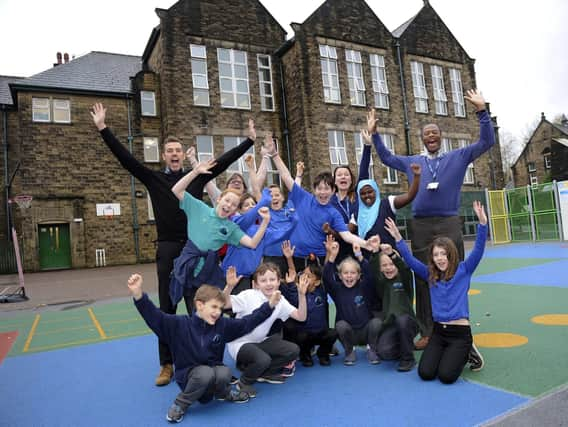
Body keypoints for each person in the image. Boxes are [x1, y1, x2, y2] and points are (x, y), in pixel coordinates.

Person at [91, 103, 258, 386]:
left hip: (197, 252)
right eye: (170, 151)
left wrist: (249, 141)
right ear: (164, 155)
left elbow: (225, 160)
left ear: (183, 154)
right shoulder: (154, 178)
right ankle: (166, 363)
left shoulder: (198, 176)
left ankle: (205, 357)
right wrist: (103, 128)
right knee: (168, 307)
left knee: (200, 307)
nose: (174, 154)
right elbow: (126, 160)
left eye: (178, 150)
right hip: (169, 249)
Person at [367, 89, 491, 369]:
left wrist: (482, 112)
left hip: (448, 221)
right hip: (420, 225)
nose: (431, 136)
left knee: (455, 274)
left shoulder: (458, 157)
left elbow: (486, 141)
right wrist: (374, 134)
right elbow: (386, 157)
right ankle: (429, 331)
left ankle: (461, 330)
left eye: (435, 132)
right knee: (424, 280)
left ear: (441, 137)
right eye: (427, 133)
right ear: (423, 139)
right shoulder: (414, 162)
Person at [127, 273, 280, 423]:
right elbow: (154, 317)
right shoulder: (178, 325)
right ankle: (181, 403)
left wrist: (269, 306)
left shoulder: (222, 325)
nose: (218, 312)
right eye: (214, 307)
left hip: (212, 377)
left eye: (220, 308)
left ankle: (223, 393)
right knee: (204, 373)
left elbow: (247, 323)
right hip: (190, 378)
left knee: (224, 372)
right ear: (199, 305)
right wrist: (138, 295)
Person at [384, 201, 488, 384]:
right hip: (439, 332)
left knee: (446, 376)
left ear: (450, 255)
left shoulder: (464, 270)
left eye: (443, 254)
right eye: (436, 254)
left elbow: (478, 250)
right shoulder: (430, 274)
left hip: (460, 333)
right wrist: (398, 238)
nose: (440, 258)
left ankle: (468, 352)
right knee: (426, 373)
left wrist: (482, 224)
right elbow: (409, 260)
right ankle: (449, 354)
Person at [263, 138, 375, 271]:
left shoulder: (333, 213)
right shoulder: (303, 198)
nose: (323, 192)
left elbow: (347, 236)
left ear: (333, 190)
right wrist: (275, 155)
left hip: (319, 260)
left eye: (327, 189)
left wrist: (366, 244)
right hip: (295, 257)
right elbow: (286, 176)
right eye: (319, 189)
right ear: (314, 189)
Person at [169, 161, 271, 305]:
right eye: (227, 200)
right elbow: (176, 190)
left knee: (209, 314)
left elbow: (253, 243)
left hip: (208, 276)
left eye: (234, 205)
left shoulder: (231, 228)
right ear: (219, 199)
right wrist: (195, 172)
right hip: (186, 269)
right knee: (192, 315)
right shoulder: (199, 208)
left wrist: (265, 222)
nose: (229, 205)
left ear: (235, 210)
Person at [223, 262, 307, 398]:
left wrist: (301, 295)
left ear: (279, 282)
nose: (268, 284)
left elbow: (301, 317)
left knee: (293, 350)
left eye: (272, 279)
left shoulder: (281, 300)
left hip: (261, 341)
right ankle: (244, 382)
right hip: (239, 343)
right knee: (263, 359)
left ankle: (262, 372)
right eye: (263, 280)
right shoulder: (248, 295)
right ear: (256, 284)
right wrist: (230, 286)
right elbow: (224, 303)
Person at [221, 191, 298, 294]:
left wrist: (293, 222)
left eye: (253, 204)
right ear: (239, 209)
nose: (251, 207)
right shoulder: (236, 222)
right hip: (230, 276)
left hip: (249, 279)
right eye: (246, 205)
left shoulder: (261, 228)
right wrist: (261, 204)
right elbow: (247, 219)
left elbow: (279, 234)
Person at [323, 236, 382, 366]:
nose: (349, 276)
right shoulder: (337, 289)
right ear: (340, 275)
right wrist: (332, 256)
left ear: (358, 275)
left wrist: (359, 255)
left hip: (365, 331)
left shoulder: (364, 287)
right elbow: (326, 277)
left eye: (353, 273)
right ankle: (349, 350)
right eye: (345, 273)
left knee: (377, 322)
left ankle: (371, 348)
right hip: (349, 333)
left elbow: (369, 273)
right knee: (340, 326)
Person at [280, 240, 338, 367]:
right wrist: (289, 258)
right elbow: (293, 275)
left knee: (333, 332)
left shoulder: (321, 290)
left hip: (320, 332)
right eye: (303, 274)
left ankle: (323, 354)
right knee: (301, 337)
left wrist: (329, 252)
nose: (304, 277)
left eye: (309, 276)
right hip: (305, 335)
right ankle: (305, 355)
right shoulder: (296, 292)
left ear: (317, 282)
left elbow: (326, 273)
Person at [368, 242, 418, 372]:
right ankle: (405, 345)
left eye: (392, 264)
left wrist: (392, 254)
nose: (389, 268)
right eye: (384, 265)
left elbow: (405, 269)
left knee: (402, 321)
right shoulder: (382, 283)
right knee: (385, 353)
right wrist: (374, 252)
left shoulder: (403, 279)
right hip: (391, 325)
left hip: (407, 322)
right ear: (380, 269)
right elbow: (373, 270)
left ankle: (408, 358)